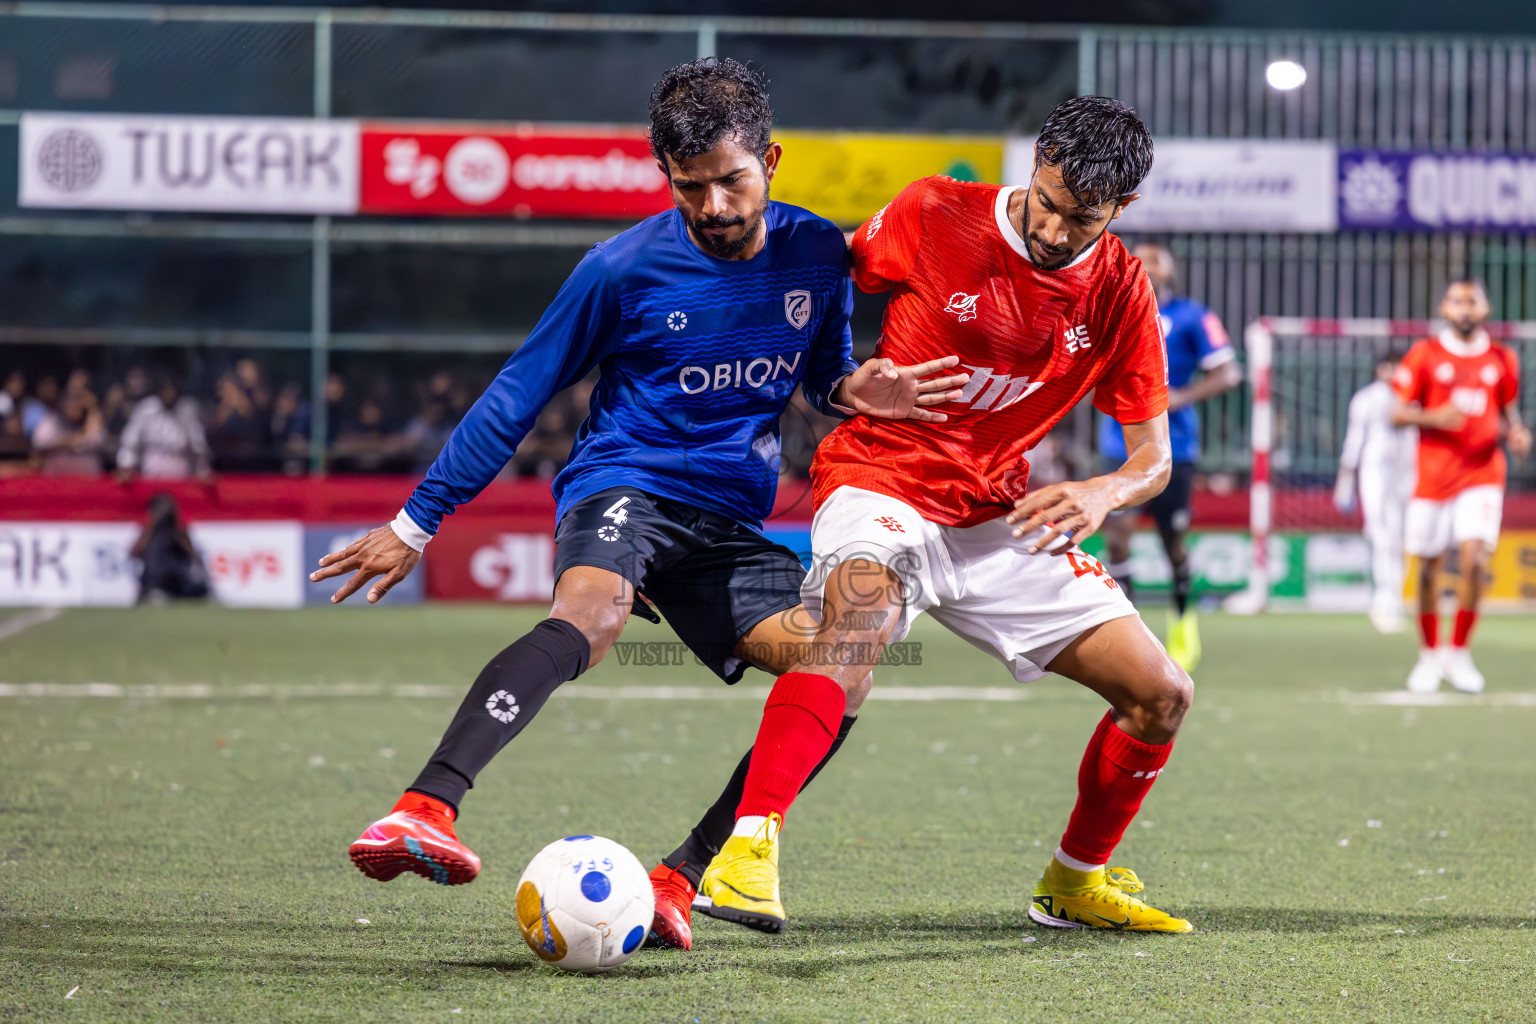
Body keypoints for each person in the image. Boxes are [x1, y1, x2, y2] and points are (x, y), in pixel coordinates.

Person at [310, 58, 967, 950]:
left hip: (727, 525)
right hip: (630, 485)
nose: (716, 207)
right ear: (666, 177)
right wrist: (414, 523)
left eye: (732, 181)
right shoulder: (618, 270)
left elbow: (821, 380)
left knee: (844, 666)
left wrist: (859, 392)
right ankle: (425, 809)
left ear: (769, 162)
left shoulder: (819, 253)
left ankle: (678, 879)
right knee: (594, 614)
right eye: (690, 187)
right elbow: (516, 395)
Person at [697, 96, 1198, 937]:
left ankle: (1073, 884)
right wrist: (841, 380)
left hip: (1000, 514)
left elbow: (1153, 458)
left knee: (1162, 694)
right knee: (854, 633)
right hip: (881, 479)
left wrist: (1100, 492)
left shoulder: (1118, 288)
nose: (1055, 230)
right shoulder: (936, 212)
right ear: (1035, 163)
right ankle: (744, 854)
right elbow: (820, 276)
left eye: (1083, 219)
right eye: (1048, 203)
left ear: (1125, 210)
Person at [1097, 243, 1240, 671]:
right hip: (1117, 443)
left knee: (1172, 542)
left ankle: (1181, 620)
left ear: (1172, 273)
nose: (1147, 266)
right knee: (1117, 538)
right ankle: (1132, 635)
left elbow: (1228, 373)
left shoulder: (1194, 316)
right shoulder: (1110, 313)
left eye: (1157, 260)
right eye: (1139, 258)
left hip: (1174, 447)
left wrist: (1178, 397)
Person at [1392, 280, 1529, 693]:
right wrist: (1433, 418)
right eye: (1456, 301)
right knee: (1430, 570)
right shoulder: (1424, 354)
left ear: (1485, 307)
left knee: (1474, 560)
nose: (1464, 308)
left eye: (1472, 301)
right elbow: (1397, 413)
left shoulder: (1502, 358)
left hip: (1483, 473)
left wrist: (1518, 432)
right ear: (1444, 308)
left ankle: (1459, 652)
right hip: (1433, 477)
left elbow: (1509, 413)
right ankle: (1429, 655)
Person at [1333, 351, 1417, 634]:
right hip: (1375, 471)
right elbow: (1354, 440)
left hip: (1406, 472)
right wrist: (1344, 482)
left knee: (1400, 537)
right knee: (1380, 535)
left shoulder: (1415, 397)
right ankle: (1383, 598)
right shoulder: (1367, 398)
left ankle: (1395, 598)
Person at [115, 376, 212, 481]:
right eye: (166, 390)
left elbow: (199, 445)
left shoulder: (188, 410)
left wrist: (203, 470)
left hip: (180, 477)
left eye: (172, 390)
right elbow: (129, 441)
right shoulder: (146, 409)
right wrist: (126, 465)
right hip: (151, 476)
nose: (169, 394)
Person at [130, 493, 209, 603]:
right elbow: (135, 553)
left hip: (172, 583)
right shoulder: (153, 532)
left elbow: (192, 554)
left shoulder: (174, 532)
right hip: (157, 584)